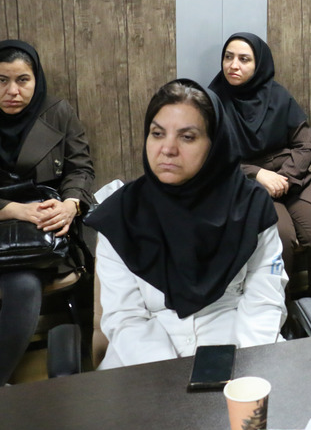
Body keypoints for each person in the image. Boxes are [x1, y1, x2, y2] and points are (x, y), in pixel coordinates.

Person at [87, 79, 287, 368]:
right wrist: (170, 379)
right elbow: (126, 317)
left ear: (215, 144)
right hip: (142, 357)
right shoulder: (120, 215)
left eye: (188, 137)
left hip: (238, 341)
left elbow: (264, 300)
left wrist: (241, 370)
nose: (167, 149)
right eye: (157, 134)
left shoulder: (250, 207)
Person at [210, 33, 311, 311]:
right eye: (228, 57)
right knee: (279, 240)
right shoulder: (212, 102)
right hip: (244, 182)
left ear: (259, 64)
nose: (233, 65)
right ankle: (279, 314)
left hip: (292, 176)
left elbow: (305, 145)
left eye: (244, 59)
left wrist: (285, 177)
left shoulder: (278, 96)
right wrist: (257, 174)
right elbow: (212, 158)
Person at [0, 40, 94, 387]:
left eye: (23, 80)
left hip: (40, 234)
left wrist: (70, 204)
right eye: (1, 80)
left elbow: (81, 168)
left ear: (36, 80)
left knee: (23, 285)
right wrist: (13, 210)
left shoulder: (57, 112)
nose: (13, 91)